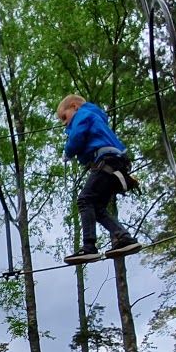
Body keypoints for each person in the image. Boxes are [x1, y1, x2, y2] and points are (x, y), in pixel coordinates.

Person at [57, 94, 140, 265]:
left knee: (84, 200)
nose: (64, 123)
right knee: (97, 208)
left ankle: (89, 247)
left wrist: (68, 150)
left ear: (74, 107)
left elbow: (77, 137)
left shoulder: (83, 115)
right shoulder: (94, 117)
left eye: (64, 117)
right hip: (114, 163)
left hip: (107, 162)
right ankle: (123, 237)